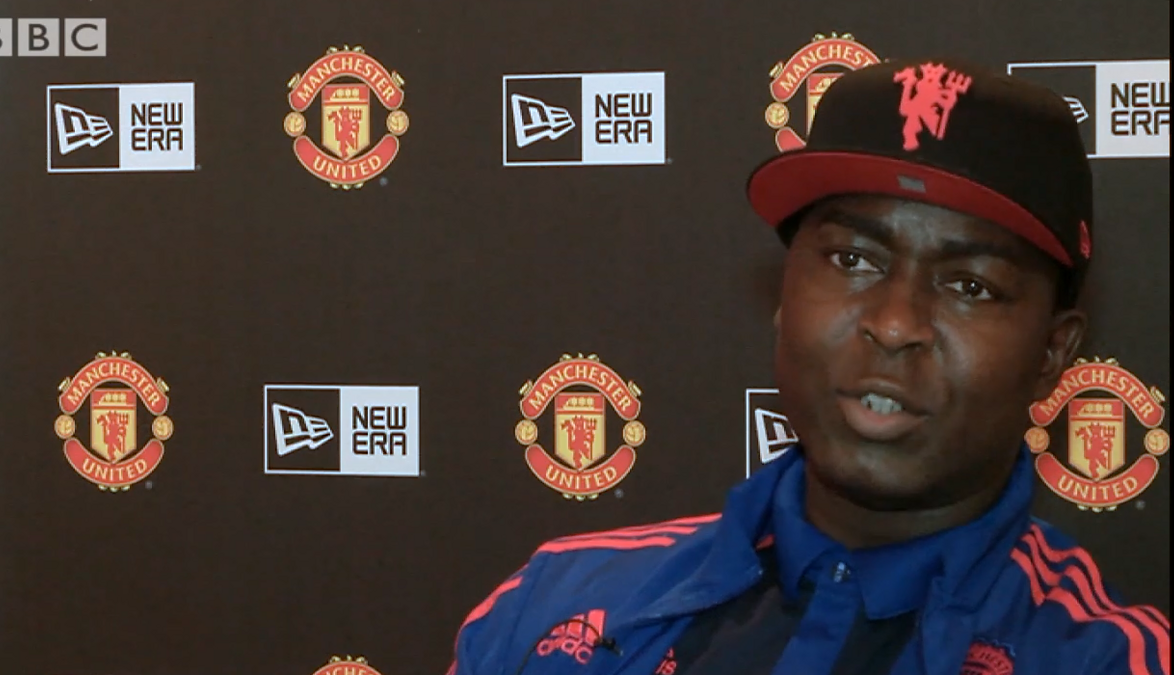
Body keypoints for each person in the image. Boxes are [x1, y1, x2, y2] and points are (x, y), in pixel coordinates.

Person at [446, 57, 1171, 675]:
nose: (895, 323)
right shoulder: (550, 609)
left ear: (1052, 353)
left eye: (970, 286)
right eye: (852, 259)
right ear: (783, 297)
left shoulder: (1113, 658)